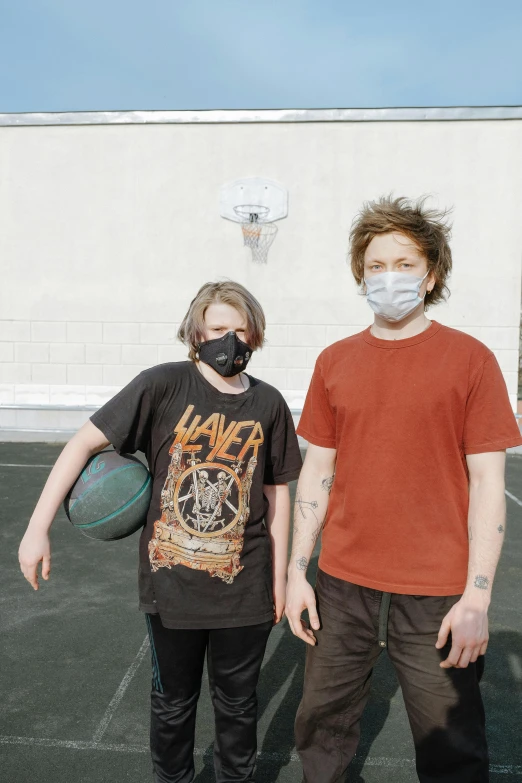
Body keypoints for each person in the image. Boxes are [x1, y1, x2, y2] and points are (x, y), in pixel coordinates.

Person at [18, 280, 302, 783]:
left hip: (245, 583)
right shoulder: (162, 385)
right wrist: (37, 529)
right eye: (218, 328)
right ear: (196, 331)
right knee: (174, 702)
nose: (229, 340)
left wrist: (278, 579)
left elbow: (277, 497)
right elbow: (81, 444)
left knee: (238, 705)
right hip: (173, 584)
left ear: (256, 334)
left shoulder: (269, 403)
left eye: (240, 330)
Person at [285, 196, 522, 783]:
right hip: (342, 584)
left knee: (452, 745)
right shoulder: (334, 361)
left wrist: (477, 597)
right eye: (375, 266)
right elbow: (316, 470)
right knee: (321, 728)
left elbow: (489, 481)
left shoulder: (471, 360)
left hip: (438, 590)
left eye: (404, 263)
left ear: (431, 273)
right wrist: (296, 571)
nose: (389, 277)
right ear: (360, 275)